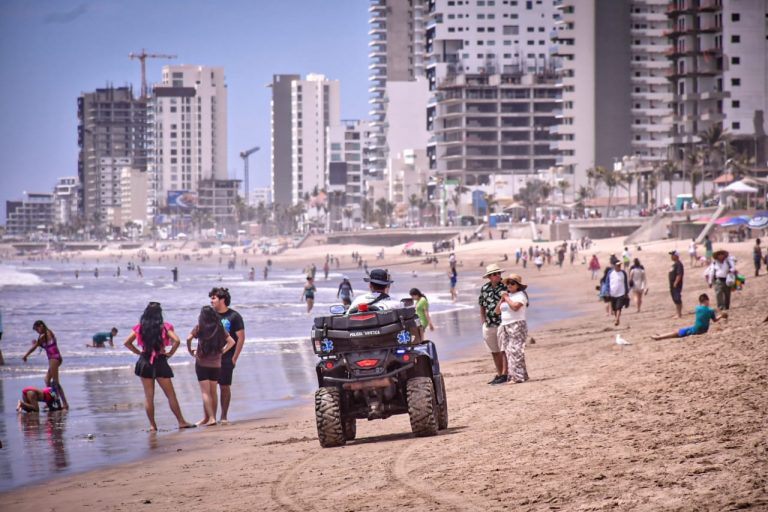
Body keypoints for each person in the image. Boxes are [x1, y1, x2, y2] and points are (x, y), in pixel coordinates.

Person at [124, 302, 195, 431]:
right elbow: (177, 340)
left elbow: (127, 342)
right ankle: (181, 421)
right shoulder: (165, 327)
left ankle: (152, 426)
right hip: (160, 361)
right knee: (170, 394)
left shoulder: (140, 327)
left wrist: (138, 352)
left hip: (145, 361)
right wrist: (171, 353)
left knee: (149, 396)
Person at [187, 306, 236, 426]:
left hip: (202, 363)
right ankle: (211, 417)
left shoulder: (200, 328)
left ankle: (211, 418)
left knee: (205, 392)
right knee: (213, 392)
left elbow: (188, 339)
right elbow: (232, 342)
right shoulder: (220, 328)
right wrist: (222, 352)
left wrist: (190, 351)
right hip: (216, 364)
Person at [208, 287, 245, 424]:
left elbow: (240, 338)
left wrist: (234, 358)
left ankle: (223, 416)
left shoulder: (234, 316)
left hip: (226, 358)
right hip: (210, 357)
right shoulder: (209, 315)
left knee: (224, 386)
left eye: (214, 298)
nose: (211, 301)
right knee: (210, 387)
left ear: (222, 299)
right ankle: (211, 417)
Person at [23, 320, 69, 409]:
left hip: (54, 358)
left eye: (37, 329)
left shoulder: (47, 333)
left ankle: (64, 403)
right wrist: (39, 344)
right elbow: (46, 345)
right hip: (54, 358)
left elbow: (34, 347)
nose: (37, 332)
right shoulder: (45, 335)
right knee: (47, 379)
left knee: (56, 382)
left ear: (41, 326)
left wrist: (26, 355)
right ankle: (52, 400)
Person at [494, 274, 530, 384]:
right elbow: (497, 311)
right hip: (505, 325)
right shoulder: (507, 297)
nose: (509, 285)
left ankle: (517, 377)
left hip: (517, 324)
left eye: (512, 283)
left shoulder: (520, 295)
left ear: (518, 286)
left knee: (516, 350)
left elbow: (515, 307)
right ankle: (519, 375)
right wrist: (502, 299)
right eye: (508, 283)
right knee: (509, 351)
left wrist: (506, 298)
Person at [651, 293, 726, 340]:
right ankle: (660, 336)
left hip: (696, 330)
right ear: (707, 300)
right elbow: (715, 320)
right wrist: (721, 315)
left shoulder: (697, 308)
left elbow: (702, 310)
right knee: (679, 332)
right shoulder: (710, 310)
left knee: (677, 333)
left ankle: (660, 337)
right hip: (703, 330)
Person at [478, 264, 507, 384]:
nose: (498, 276)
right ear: (489, 277)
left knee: (503, 349)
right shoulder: (485, 288)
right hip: (489, 323)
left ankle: (505, 373)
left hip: (502, 321)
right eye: (495, 274)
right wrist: (483, 319)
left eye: (499, 273)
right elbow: (482, 304)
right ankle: (499, 373)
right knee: (494, 350)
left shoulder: (505, 286)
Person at [706, 249, 736, 314]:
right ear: (717, 256)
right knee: (718, 293)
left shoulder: (728, 261)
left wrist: (730, 270)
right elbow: (711, 272)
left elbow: (733, 267)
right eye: (719, 254)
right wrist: (710, 282)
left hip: (727, 280)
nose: (720, 256)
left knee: (727, 294)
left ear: (724, 255)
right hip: (718, 280)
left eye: (721, 254)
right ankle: (720, 307)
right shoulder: (714, 263)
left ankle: (727, 306)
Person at [607, 260, 629, 326]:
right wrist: (607, 292)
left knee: (619, 307)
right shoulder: (610, 273)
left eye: (620, 265)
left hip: (621, 293)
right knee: (614, 309)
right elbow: (607, 283)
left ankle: (617, 319)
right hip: (612, 293)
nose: (619, 266)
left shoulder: (623, 273)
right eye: (618, 265)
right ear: (614, 266)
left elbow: (625, 283)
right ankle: (617, 318)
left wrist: (626, 292)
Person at [668, 250, 684, 318]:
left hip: (676, 284)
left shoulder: (678, 264)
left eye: (672, 255)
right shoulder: (675, 264)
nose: (671, 257)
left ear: (676, 256)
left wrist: (676, 282)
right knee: (674, 298)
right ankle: (677, 313)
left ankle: (679, 314)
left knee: (677, 298)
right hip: (672, 284)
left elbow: (679, 274)